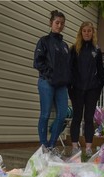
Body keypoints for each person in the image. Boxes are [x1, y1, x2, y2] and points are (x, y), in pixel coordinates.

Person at [33, 10, 70, 150]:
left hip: (61, 86)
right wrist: (51, 74)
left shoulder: (65, 46)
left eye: (62, 23)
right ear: (51, 23)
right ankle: (43, 145)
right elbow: (37, 62)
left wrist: (67, 80)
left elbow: (68, 67)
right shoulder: (44, 41)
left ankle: (52, 145)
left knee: (62, 115)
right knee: (45, 114)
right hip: (46, 82)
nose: (59, 26)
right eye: (57, 23)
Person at [69, 21, 104, 156]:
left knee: (89, 118)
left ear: (92, 33)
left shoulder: (97, 50)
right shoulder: (74, 49)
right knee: (77, 117)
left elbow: (101, 71)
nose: (87, 33)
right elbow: (70, 69)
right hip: (76, 89)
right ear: (81, 33)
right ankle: (74, 147)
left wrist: (99, 87)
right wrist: (70, 87)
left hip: (92, 90)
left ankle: (88, 148)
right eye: (84, 31)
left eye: (89, 31)